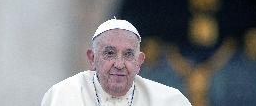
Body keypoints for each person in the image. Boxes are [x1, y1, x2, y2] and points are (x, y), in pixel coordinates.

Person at [41, 18, 192, 106]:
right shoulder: (61, 97)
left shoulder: (170, 101)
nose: (119, 64)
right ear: (92, 59)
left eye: (128, 54)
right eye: (110, 53)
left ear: (139, 62)